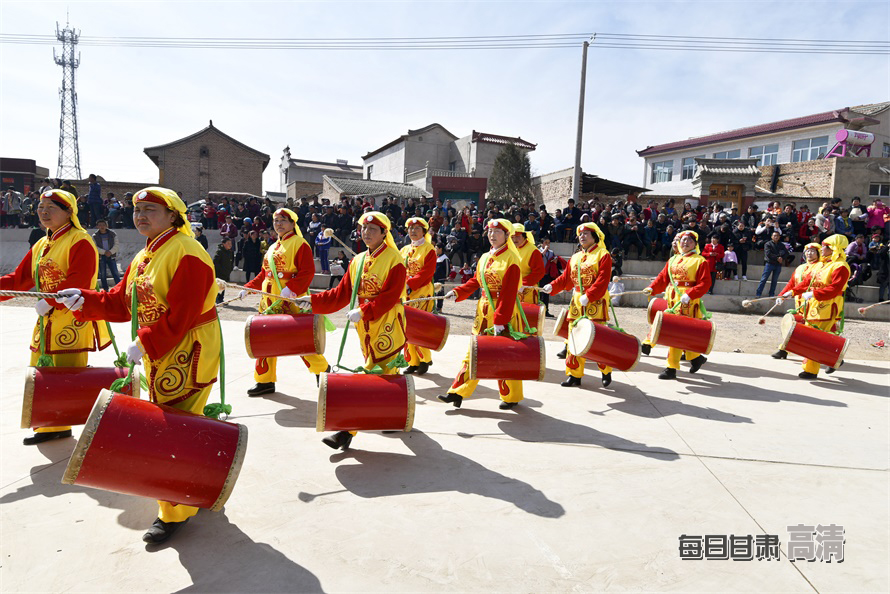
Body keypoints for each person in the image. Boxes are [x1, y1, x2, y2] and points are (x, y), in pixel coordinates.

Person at [56, 187, 221, 544]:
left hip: (187, 348)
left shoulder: (187, 252)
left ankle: (175, 510)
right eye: (137, 210)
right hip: (160, 347)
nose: (141, 216)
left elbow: (184, 314)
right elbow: (120, 302)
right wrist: (82, 299)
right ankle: (204, 482)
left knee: (171, 426)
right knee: (180, 421)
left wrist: (143, 342)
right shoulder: (146, 254)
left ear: (173, 216)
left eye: (150, 209)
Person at [0, 189, 111, 445]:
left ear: (69, 212)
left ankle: (58, 423)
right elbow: (19, 279)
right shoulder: (42, 243)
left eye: (52, 207)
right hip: (45, 319)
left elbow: (79, 282)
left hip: (69, 319)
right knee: (42, 371)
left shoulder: (79, 240)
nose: (44, 212)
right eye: (41, 207)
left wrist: (49, 302)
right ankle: (49, 425)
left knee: (63, 374)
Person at [298, 212, 406, 451]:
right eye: (364, 229)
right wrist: (313, 301)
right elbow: (341, 294)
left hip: (386, 323)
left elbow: (390, 297)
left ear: (384, 233)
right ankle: (394, 414)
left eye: (373, 230)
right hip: (365, 326)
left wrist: (365, 310)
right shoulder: (357, 260)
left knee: (371, 374)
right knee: (385, 374)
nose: (366, 233)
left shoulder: (395, 259)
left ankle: (346, 431)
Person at [437, 219, 525, 411]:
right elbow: (477, 281)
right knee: (474, 352)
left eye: (498, 232)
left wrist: (500, 321)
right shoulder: (484, 257)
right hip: (483, 311)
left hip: (504, 312)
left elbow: (510, 293)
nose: (492, 235)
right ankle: (457, 392)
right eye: (490, 232)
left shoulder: (512, 258)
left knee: (503, 356)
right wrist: (458, 292)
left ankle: (511, 396)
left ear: (507, 235)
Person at [242, 208, 330, 395]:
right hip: (269, 300)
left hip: (289, 300)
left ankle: (322, 370)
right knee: (264, 339)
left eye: (283, 220)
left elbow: (307, 271)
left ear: (292, 223)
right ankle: (265, 380)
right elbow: (264, 274)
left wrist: (292, 288)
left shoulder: (300, 243)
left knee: (299, 339)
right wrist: (248, 288)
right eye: (276, 220)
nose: (279, 224)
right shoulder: (273, 247)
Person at [541, 222, 614, 388]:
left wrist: (590, 295)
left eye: (586, 234)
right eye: (580, 234)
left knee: (597, 338)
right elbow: (566, 278)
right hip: (577, 301)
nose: (582, 236)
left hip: (595, 301)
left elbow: (603, 280)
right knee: (574, 337)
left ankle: (605, 370)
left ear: (595, 236)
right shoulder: (575, 257)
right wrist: (553, 286)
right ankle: (574, 374)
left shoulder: (603, 255)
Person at [644, 230, 712, 380]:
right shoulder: (673, 259)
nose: (685, 243)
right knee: (678, 333)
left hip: (687, 301)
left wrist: (690, 294)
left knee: (676, 333)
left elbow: (705, 283)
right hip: (672, 300)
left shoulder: (700, 261)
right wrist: (652, 288)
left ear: (695, 244)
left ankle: (671, 367)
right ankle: (695, 358)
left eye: (689, 240)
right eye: (683, 240)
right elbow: (663, 278)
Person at [795, 235, 851, 379]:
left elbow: (835, 288)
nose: (822, 249)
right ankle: (834, 358)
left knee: (816, 337)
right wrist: (793, 291)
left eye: (825, 246)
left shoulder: (841, 266)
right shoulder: (822, 264)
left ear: (832, 248)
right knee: (815, 336)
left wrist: (814, 294)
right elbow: (808, 281)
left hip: (827, 305)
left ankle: (811, 369)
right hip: (815, 303)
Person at [400, 217, 437, 375]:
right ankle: (412, 361)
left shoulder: (429, 249)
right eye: (410, 228)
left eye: (416, 228)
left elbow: (426, 273)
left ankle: (424, 359)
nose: (413, 231)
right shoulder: (404, 250)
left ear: (424, 231)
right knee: (406, 327)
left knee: (419, 327)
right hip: (405, 293)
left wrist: (411, 284)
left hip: (421, 292)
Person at [771, 243, 822, 359]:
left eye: (813, 251)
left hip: (813, 303)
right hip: (799, 302)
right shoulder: (800, 268)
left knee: (815, 330)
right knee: (794, 326)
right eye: (807, 251)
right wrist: (781, 296)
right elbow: (792, 283)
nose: (809, 253)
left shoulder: (820, 267)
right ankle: (783, 349)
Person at [512, 223, 545, 306]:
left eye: (518, 236)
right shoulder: (511, 249)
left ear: (524, 236)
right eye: (512, 237)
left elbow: (539, 272)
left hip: (527, 291)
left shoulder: (533, 251)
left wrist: (522, 284)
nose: (515, 239)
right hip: (512, 289)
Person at [756, 231, 791, 298]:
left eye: (777, 236)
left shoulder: (781, 245)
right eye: (774, 235)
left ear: (779, 237)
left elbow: (786, 253)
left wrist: (782, 258)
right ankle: (758, 293)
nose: (776, 237)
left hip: (778, 265)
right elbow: (768, 254)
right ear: (772, 236)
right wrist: (777, 258)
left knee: (774, 280)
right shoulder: (768, 244)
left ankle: (771, 294)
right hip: (769, 264)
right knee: (764, 279)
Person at [92, 220, 121, 291]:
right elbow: (95, 246)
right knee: (103, 274)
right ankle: (105, 289)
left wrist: (110, 252)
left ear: (106, 225)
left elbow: (116, 244)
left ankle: (119, 288)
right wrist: (104, 252)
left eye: (103, 225)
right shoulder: (95, 236)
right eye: (100, 225)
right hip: (101, 257)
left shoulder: (112, 234)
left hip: (111, 256)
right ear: (97, 226)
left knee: (115, 272)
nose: (102, 226)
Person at [213, 238, 234, 304]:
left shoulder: (230, 252)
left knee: (223, 286)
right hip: (220, 273)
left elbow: (231, 262)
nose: (230, 245)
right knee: (218, 286)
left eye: (230, 243)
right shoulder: (219, 252)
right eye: (228, 243)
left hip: (226, 272)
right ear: (223, 244)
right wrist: (220, 270)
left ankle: (221, 298)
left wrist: (230, 269)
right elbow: (215, 262)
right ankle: (217, 299)